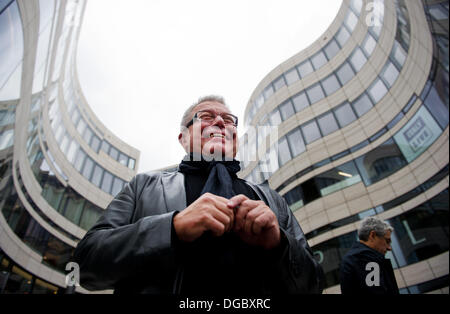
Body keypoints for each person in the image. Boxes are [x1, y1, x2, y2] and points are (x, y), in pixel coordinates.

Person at [73, 95, 324, 294]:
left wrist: (278, 245)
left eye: (228, 119)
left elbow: (314, 285)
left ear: (236, 138)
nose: (219, 122)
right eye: (206, 116)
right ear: (183, 137)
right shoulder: (143, 186)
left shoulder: (273, 201)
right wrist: (171, 228)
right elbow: (85, 265)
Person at [339, 217, 399, 294]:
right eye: (387, 241)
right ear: (372, 235)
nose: (389, 248)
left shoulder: (355, 257)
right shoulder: (367, 257)